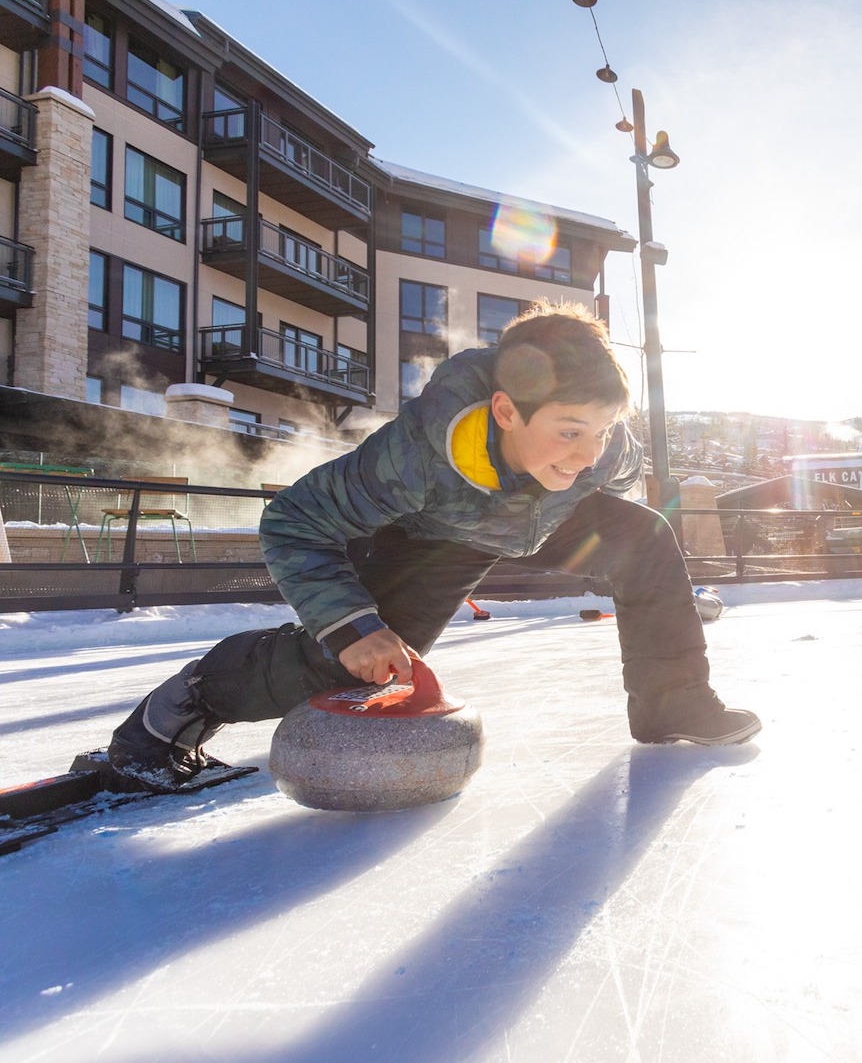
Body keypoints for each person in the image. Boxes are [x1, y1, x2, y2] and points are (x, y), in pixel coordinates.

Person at [105, 300, 760, 793]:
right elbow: (293, 523)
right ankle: (179, 708)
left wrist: (654, 586)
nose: (589, 453)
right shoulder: (417, 457)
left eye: (602, 430)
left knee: (643, 536)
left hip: (532, 516)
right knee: (353, 663)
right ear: (506, 412)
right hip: (427, 539)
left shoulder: (600, 448)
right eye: (568, 433)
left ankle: (672, 699)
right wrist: (353, 625)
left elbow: (621, 491)